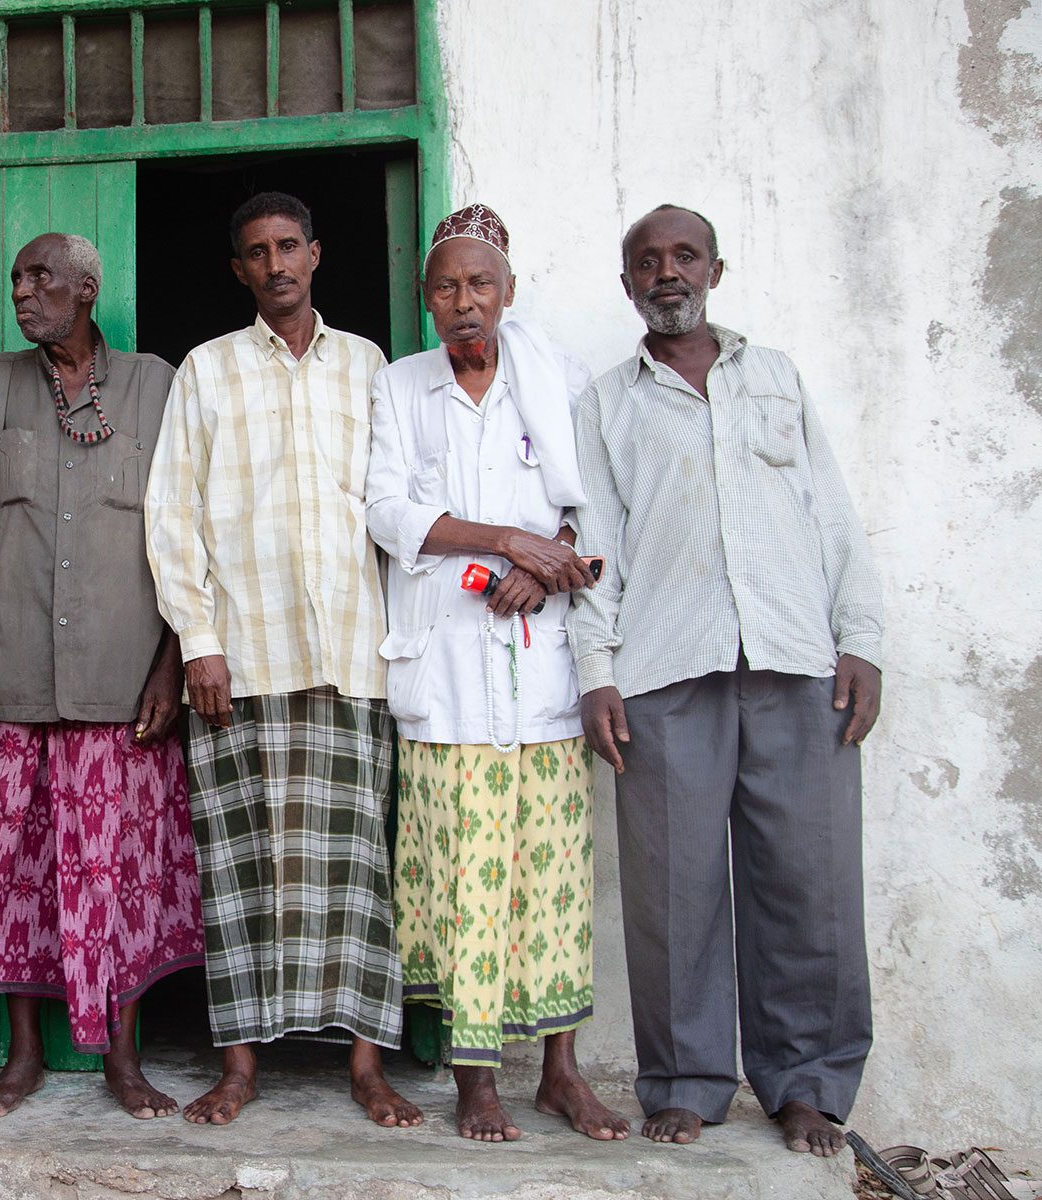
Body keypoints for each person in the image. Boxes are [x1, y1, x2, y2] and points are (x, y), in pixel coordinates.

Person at [570, 204, 882, 1157]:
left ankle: (807, 1086)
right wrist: (596, 671)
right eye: (648, 262)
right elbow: (598, 551)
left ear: (715, 270)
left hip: (797, 664)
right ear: (627, 284)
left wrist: (860, 637)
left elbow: (830, 512)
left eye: (685, 257)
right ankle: (688, 1081)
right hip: (667, 670)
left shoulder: (774, 377)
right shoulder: (606, 404)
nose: (668, 273)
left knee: (811, 884)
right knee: (675, 892)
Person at [146, 192, 421, 1129]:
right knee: (240, 865)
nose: (276, 265)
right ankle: (240, 1066)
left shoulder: (368, 366)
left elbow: (395, 507)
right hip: (244, 657)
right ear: (238, 270)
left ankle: (366, 1067)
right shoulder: (208, 369)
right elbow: (171, 514)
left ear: (317, 253)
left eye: (289, 246)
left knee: (356, 872)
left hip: (350, 652)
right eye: (256, 252)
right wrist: (200, 641)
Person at [364, 205, 631, 1144]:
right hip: (446, 674)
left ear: (508, 293)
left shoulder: (555, 379)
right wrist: (500, 537)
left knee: (552, 880)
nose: (464, 302)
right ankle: (476, 1080)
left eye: (480, 285)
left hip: (543, 671)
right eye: (446, 287)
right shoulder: (402, 388)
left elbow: (590, 509)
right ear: (426, 300)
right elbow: (391, 514)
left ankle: (561, 1071)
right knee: (464, 883)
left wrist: (542, 556)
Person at [0, 232, 205, 1121]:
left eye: (41, 276)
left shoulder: (155, 387)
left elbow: (188, 531)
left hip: (124, 684)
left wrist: (172, 660)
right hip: (10, 677)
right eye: (14, 277)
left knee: (113, 875)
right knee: (12, 871)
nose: (22, 290)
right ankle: (21, 1058)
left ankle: (122, 1058)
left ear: (88, 287)